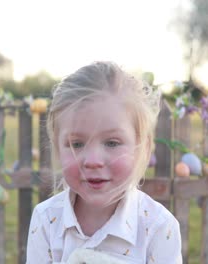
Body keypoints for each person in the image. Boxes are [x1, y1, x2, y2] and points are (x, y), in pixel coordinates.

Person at [26, 61, 182, 263]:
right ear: (57, 148)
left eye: (111, 143)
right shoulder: (46, 220)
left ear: (142, 147)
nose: (93, 161)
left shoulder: (158, 227)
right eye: (77, 144)